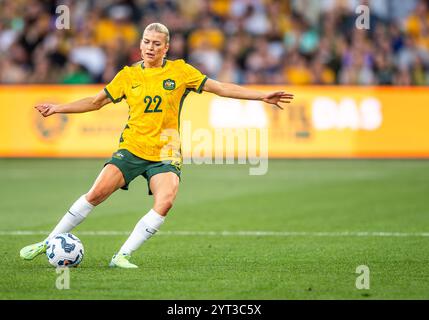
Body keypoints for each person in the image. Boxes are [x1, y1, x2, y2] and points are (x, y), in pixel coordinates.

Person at [19, 23, 294, 269]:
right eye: (146, 42)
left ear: (166, 47)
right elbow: (95, 101)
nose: (150, 47)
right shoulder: (127, 76)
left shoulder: (181, 71)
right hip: (132, 148)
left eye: (156, 43)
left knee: (165, 201)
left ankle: (121, 256)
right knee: (95, 195)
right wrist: (57, 108)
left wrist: (262, 96)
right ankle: (48, 242)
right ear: (140, 44)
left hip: (165, 152)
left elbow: (220, 87)